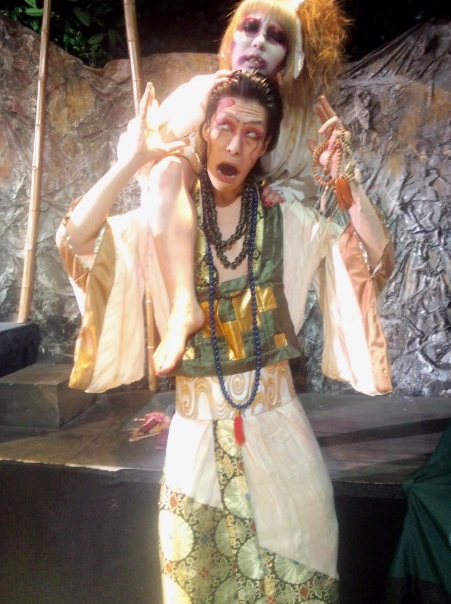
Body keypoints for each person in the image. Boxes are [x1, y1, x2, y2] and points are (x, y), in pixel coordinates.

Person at [57, 70, 393, 602]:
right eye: (225, 127)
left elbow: (373, 262)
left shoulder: (286, 220)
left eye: (252, 134)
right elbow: (76, 241)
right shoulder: (159, 225)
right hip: (195, 449)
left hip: (283, 443)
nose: (235, 145)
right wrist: (132, 161)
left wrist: (345, 183)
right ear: (205, 132)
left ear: (264, 147)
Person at [134, 0, 357, 376]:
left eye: (275, 37)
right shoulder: (200, 91)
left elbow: (307, 181)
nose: (258, 43)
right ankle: (184, 306)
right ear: (231, 37)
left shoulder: (297, 117)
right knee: (168, 169)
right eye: (250, 28)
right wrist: (200, 109)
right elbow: (143, 150)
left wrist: (285, 189)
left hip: (255, 239)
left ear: (288, 57)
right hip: (192, 225)